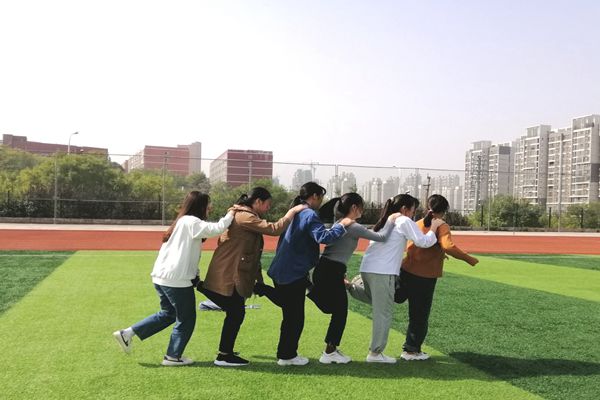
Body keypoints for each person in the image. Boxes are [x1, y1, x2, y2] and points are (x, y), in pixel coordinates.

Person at [112, 191, 235, 366]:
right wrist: (232, 213)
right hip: (176, 280)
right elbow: (216, 229)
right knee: (186, 319)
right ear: (200, 206)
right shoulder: (191, 222)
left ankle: (127, 333)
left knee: (168, 314)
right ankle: (172, 356)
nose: (211, 207)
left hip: (161, 277)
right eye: (208, 204)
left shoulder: (182, 221)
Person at [199, 187, 307, 367]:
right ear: (257, 201)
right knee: (236, 312)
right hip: (230, 273)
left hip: (235, 272)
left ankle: (225, 352)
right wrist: (293, 211)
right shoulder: (244, 216)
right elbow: (274, 229)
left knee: (235, 312)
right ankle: (224, 355)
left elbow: (253, 252)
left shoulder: (245, 215)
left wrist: (258, 281)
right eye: (267, 204)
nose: (268, 208)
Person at [267, 182, 354, 366]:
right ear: (314, 196)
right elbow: (323, 237)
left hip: (282, 269)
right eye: (321, 197)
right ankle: (287, 355)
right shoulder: (309, 214)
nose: (321, 201)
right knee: (295, 318)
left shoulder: (295, 211)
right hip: (293, 272)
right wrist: (343, 224)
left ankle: (286, 354)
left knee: (290, 315)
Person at [308, 193, 400, 364]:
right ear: (354, 207)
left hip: (328, 269)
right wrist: (391, 220)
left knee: (337, 309)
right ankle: (329, 352)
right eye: (361, 207)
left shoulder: (340, 223)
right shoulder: (352, 225)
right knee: (340, 311)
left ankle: (330, 349)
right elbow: (382, 237)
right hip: (331, 270)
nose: (362, 210)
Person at [358, 194, 442, 364]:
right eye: (413, 210)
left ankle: (350, 286)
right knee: (383, 313)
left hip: (367, 268)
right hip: (382, 272)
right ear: (404, 209)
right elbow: (423, 242)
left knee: (373, 299)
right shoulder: (403, 220)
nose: (413, 214)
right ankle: (375, 353)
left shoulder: (386, 220)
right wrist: (434, 227)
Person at [397, 194, 479, 361]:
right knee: (419, 315)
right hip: (424, 277)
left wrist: (438, 253)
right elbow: (448, 246)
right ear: (445, 210)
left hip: (406, 270)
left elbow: (416, 245)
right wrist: (469, 259)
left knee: (395, 298)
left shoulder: (418, 223)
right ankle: (411, 350)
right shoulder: (441, 225)